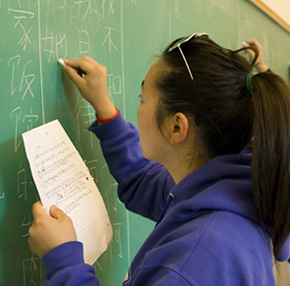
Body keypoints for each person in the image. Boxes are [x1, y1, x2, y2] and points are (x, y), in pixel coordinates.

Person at [28, 34, 290, 285]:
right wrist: (105, 110)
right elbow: (143, 180)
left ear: (177, 127)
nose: (138, 109)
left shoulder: (194, 260)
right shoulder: (231, 189)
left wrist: (64, 261)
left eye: (144, 99)